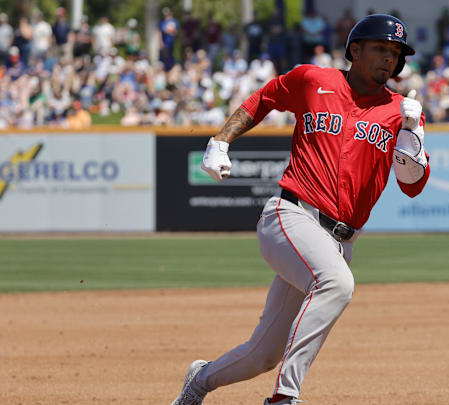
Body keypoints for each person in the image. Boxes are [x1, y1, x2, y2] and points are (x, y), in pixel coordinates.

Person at [170, 14, 430, 405]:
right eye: (381, 48)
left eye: (395, 53)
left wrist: (410, 135)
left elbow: (412, 186)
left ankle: (199, 381)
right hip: (291, 215)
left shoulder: (400, 111)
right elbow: (265, 98)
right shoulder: (314, 80)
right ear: (354, 51)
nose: (389, 59)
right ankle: (284, 397)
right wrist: (220, 140)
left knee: (263, 354)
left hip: (340, 240)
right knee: (337, 284)